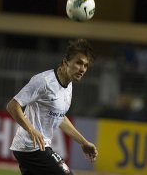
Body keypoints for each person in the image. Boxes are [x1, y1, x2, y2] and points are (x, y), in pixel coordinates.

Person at [6, 39, 98, 175]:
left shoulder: (68, 85)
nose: (82, 69)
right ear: (66, 61)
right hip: (31, 147)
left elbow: (59, 117)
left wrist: (83, 142)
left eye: (86, 65)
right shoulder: (44, 81)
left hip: (32, 148)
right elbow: (13, 105)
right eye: (78, 63)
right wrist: (31, 130)